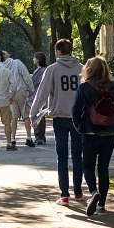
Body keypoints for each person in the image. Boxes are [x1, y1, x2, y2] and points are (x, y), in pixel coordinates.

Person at [71, 56, 114, 216]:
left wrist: (79, 126)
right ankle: (102, 206)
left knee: (88, 167)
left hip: (91, 132)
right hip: (110, 133)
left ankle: (93, 192)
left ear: (88, 70)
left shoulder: (84, 88)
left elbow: (75, 111)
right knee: (103, 168)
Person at [31, 40, 86, 205]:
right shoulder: (82, 69)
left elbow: (42, 93)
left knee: (61, 156)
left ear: (58, 51)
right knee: (78, 155)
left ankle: (64, 194)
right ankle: (78, 190)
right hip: (78, 117)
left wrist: (33, 114)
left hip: (60, 117)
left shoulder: (52, 69)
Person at [2, 52, 36, 147]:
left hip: (10, 93)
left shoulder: (1, 67)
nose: (8, 53)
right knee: (25, 115)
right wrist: (31, 88)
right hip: (21, 91)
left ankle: (13, 138)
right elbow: (26, 75)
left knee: (14, 116)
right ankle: (29, 137)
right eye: (5, 52)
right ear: (4, 56)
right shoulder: (17, 62)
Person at [28, 53, 49, 146]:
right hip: (40, 94)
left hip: (38, 95)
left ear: (38, 59)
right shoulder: (43, 70)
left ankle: (39, 136)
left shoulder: (41, 71)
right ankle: (41, 136)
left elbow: (33, 82)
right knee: (40, 116)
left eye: (34, 57)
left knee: (37, 116)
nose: (33, 59)